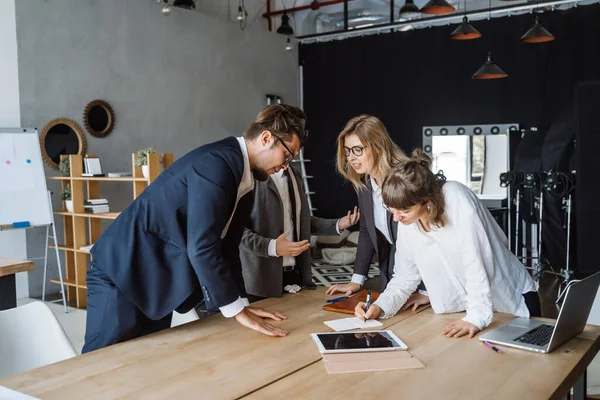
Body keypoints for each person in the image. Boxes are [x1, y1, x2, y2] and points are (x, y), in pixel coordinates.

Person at [82, 104, 308, 353]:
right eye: (288, 156)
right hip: (122, 274)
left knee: (143, 368)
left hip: (156, 280)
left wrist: (240, 303)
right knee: (98, 369)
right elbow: (202, 246)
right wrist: (235, 311)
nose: (286, 165)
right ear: (267, 138)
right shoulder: (218, 164)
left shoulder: (245, 177)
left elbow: (228, 248)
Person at [355, 149, 540, 339]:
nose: (396, 218)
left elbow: (476, 262)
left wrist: (476, 317)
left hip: (510, 303)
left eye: (403, 211)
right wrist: (380, 306)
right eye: (391, 210)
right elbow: (405, 276)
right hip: (465, 313)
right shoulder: (407, 222)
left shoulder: (456, 197)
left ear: (426, 202)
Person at [326, 115, 429, 311]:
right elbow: (366, 231)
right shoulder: (365, 185)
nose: (351, 157)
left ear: (378, 146)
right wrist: (357, 279)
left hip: (427, 281)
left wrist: (426, 292)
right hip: (394, 278)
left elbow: (432, 236)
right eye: (347, 151)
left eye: (358, 149)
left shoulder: (406, 178)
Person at [240, 164, 360, 300]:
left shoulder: (294, 174)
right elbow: (236, 232)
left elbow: (303, 222)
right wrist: (271, 247)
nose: (296, 153)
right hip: (259, 281)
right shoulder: (248, 177)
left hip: (295, 277)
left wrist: (338, 224)